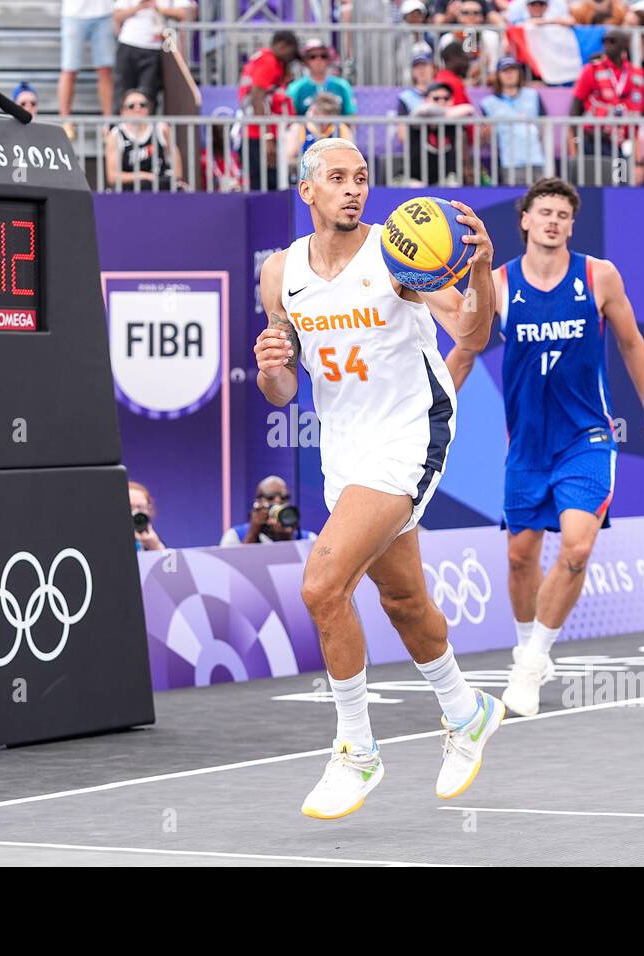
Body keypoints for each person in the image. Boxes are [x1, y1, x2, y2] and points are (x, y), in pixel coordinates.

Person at [255, 137, 500, 819]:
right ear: (307, 190)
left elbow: (472, 334)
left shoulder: (396, 253)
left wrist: (479, 270)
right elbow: (280, 391)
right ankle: (466, 709)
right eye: (337, 178)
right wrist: (273, 362)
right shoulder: (280, 273)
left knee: (322, 585)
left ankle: (357, 751)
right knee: (402, 602)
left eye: (361, 177)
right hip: (345, 448)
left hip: (409, 433)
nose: (353, 188)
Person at [445, 178, 644, 718]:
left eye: (562, 214)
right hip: (526, 444)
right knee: (520, 555)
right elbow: (465, 351)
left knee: (575, 547)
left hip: (587, 438)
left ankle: (529, 665)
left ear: (571, 225)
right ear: (524, 220)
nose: (552, 221)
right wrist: (428, 408)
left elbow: (631, 342)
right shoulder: (499, 285)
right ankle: (527, 642)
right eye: (543, 212)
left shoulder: (599, 277)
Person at [569, 30, 644, 170]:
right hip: (594, 141)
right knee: (595, 185)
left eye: (612, 41)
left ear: (625, 45)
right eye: (604, 41)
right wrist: (576, 145)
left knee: (621, 185)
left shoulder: (635, 74)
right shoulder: (591, 70)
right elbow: (574, 110)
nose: (607, 45)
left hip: (623, 142)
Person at [238, 30, 300, 190]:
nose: (291, 60)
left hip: (255, 134)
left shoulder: (263, 59)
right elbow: (257, 96)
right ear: (282, 46)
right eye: (291, 55)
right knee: (268, 188)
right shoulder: (269, 61)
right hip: (259, 137)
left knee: (266, 185)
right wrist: (267, 137)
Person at [113, 0, 196, 115]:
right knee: (122, 94)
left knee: (148, 96)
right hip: (128, 43)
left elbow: (187, 13)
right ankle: (119, 130)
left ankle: (149, 131)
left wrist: (159, 9)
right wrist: (140, 7)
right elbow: (117, 16)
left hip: (155, 48)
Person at [481, 56, 546, 184]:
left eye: (513, 70)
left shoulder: (533, 95)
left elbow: (543, 126)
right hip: (510, 161)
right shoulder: (489, 103)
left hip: (536, 158)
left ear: (519, 73)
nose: (509, 74)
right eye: (505, 71)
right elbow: (485, 135)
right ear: (498, 75)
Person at [106, 88, 186, 190]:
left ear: (148, 109)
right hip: (130, 190)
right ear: (123, 111)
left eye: (142, 105)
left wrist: (177, 181)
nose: (137, 109)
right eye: (131, 106)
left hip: (160, 187)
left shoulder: (161, 128)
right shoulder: (116, 135)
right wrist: (144, 176)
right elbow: (112, 177)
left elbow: (174, 155)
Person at [58, 0, 116, 140]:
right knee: (69, 69)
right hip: (74, 13)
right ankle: (65, 121)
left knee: (105, 70)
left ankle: (108, 124)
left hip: (104, 12)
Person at [219, 476, 318, 545]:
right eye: (270, 498)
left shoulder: (309, 539)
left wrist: (287, 539)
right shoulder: (235, 536)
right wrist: (253, 533)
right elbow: (232, 571)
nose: (278, 503)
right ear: (257, 503)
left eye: (284, 498)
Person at [284, 91, 355, 174]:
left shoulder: (342, 129)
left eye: (327, 114)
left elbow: (351, 159)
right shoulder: (299, 128)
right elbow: (288, 159)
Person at [286, 38, 356, 118]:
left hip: (336, 129)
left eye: (323, 56)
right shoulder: (295, 87)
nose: (318, 60)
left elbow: (351, 115)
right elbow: (290, 118)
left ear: (329, 59)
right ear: (305, 61)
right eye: (312, 57)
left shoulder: (342, 85)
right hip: (304, 129)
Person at [129, 480, 166, 551]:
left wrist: (156, 547)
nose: (136, 512)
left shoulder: (151, 538)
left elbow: (171, 562)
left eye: (141, 507)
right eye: (130, 508)